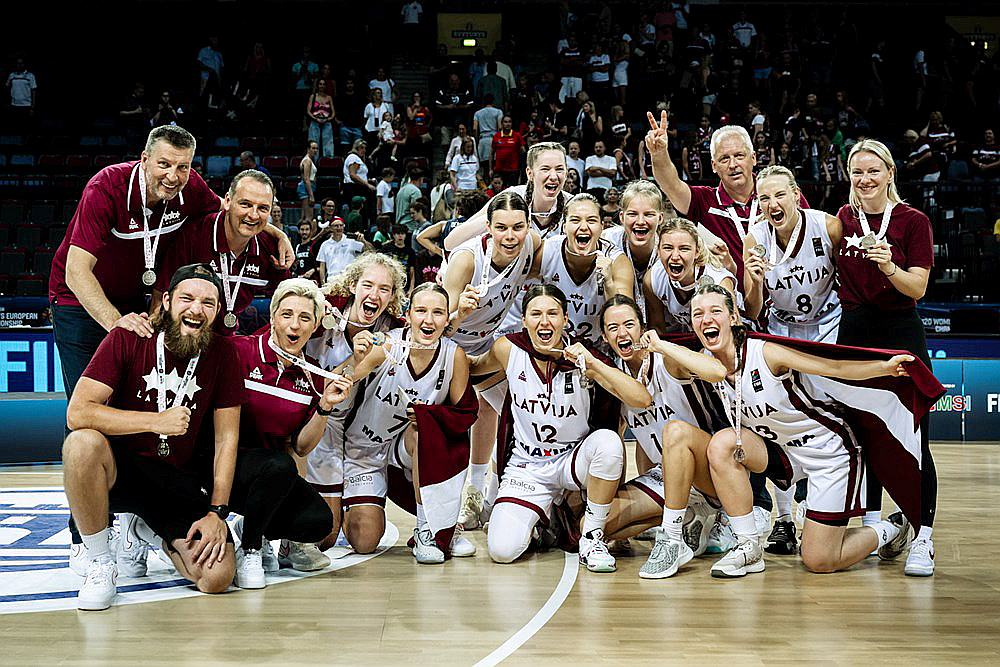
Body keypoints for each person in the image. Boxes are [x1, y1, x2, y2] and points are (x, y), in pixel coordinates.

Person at [691, 283, 936, 578]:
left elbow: (834, 368)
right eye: (697, 314)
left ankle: (891, 528)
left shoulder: (767, 353)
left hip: (828, 451)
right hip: (782, 451)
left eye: (715, 311)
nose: (706, 319)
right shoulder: (704, 363)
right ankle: (747, 546)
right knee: (722, 444)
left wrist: (883, 368)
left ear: (733, 318)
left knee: (820, 560)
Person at [50, 126, 285, 404]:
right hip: (79, 301)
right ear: (144, 159)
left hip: (135, 299)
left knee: (130, 401)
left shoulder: (191, 186)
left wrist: (275, 232)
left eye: (182, 167)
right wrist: (116, 323)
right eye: (164, 164)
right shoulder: (106, 187)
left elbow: (233, 210)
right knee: (89, 401)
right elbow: (76, 272)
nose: (173, 177)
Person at [63, 264, 242, 610]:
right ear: (168, 302)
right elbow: (78, 412)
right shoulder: (129, 337)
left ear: (218, 311)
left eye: (208, 303)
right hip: (123, 470)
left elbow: (227, 439)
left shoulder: (223, 353)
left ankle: (148, 531)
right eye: (187, 298)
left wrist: (217, 513)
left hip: (178, 480)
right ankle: (100, 561)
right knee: (81, 444)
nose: (196, 309)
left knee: (216, 578)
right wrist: (154, 421)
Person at [470, 284, 652, 570]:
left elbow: (641, 399)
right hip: (527, 466)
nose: (545, 321)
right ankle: (548, 520)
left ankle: (592, 538)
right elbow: (472, 368)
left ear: (565, 319)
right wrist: (449, 328)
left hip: (572, 461)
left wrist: (594, 365)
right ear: (524, 320)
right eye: (536, 314)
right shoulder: (508, 349)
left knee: (608, 443)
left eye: (553, 313)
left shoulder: (583, 358)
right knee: (503, 551)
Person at [835, 139, 938, 576]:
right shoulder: (843, 219)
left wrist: (889, 266)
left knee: (914, 437)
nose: (865, 179)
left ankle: (923, 536)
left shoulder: (914, 221)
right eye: (857, 172)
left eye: (873, 170)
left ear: (890, 172)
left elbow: (918, 288)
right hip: (856, 332)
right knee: (864, 433)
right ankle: (874, 527)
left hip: (900, 331)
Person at [339, 283, 478, 562]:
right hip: (364, 450)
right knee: (365, 541)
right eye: (421, 311)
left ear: (446, 317)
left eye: (438, 312)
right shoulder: (388, 345)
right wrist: (354, 358)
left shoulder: (454, 356)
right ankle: (348, 506)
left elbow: (464, 415)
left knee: (425, 430)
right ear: (408, 315)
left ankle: (431, 530)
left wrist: (431, 417)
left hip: (406, 449)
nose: (429, 320)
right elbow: (346, 378)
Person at [228, 279, 353, 587]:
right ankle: (253, 549)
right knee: (279, 465)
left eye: (304, 318)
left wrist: (324, 407)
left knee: (318, 522)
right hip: (220, 462)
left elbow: (301, 445)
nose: (294, 325)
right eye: (286, 315)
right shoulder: (238, 351)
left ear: (314, 328)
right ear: (272, 319)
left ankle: (251, 528)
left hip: (266, 475)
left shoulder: (312, 375)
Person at [594, 296, 729, 578]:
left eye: (629, 324)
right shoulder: (616, 378)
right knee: (595, 525)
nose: (623, 333)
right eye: (613, 328)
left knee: (675, 431)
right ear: (605, 337)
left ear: (642, 328)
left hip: (710, 473)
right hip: (668, 479)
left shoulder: (667, 360)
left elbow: (717, 372)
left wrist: (663, 345)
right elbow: (619, 445)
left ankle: (672, 537)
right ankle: (688, 519)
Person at [303, 253, 408, 551]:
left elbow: (436, 330)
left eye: (384, 289)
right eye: (368, 285)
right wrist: (359, 359)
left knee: (365, 541)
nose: (374, 295)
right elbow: (323, 388)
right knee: (322, 537)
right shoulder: (322, 314)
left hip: (367, 439)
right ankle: (328, 510)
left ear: (393, 296)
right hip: (325, 428)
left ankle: (350, 502)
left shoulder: (396, 330)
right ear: (353, 285)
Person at [645, 111, 808, 287]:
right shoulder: (704, 201)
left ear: (753, 158)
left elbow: (810, 236)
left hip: (789, 298)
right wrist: (659, 154)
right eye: (724, 159)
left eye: (739, 156)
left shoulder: (780, 194)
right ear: (714, 166)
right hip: (734, 306)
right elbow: (671, 185)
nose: (733, 165)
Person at [154, 170, 290, 335]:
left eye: (262, 208)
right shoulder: (194, 235)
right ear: (227, 201)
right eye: (245, 204)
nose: (253, 215)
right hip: (182, 336)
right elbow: (160, 297)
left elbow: (289, 295)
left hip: (226, 341)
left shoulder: (270, 248)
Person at [743, 166, 843, 342]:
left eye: (780, 195)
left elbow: (847, 283)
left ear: (796, 194)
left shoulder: (828, 226)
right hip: (782, 326)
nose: (773, 205)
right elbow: (752, 313)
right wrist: (757, 284)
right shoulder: (754, 240)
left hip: (830, 321)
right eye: (764, 198)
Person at [644, 218, 738, 334]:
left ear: (697, 252)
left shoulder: (719, 282)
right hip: (691, 337)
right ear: (658, 251)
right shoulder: (653, 279)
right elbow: (657, 328)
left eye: (684, 249)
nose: (675, 256)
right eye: (668, 248)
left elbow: (735, 332)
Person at [601, 180, 663, 319]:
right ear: (622, 217)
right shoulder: (605, 241)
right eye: (633, 214)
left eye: (648, 214)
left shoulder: (670, 248)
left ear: (660, 218)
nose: (640, 221)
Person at [317, 217, 374, 284]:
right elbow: (322, 267)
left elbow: (371, 251)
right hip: (332, 280)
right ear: (331, 228)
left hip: (348, 279)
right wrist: (323, 284)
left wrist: (363, 241)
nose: (339, 228)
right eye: (336, 226)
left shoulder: (351, 241)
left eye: (341, 225)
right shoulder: (325, 244)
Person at [491, 116, 525, 187]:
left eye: (509, 122)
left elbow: (523, 151)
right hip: (499, 170)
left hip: (513, 170)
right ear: (502, 123)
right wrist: (490, 169)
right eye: (505, 122)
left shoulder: (517, 136)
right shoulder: (496, 136)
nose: (508, 124)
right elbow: (491, 153)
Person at [306, 79, 336, 159]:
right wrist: (315, 118)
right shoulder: (313, 96)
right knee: (313, 143)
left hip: (326, 122)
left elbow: (333, 113)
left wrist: (328, 119)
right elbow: (308, 111)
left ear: (325, 86)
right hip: (315, 121)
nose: (322, 86)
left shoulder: (329, 98)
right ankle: (313, 162)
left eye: (323, 84)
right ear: (317, 86)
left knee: (328, 143)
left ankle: (328, 162)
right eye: (320, 84)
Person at [381, 224, 416, 288]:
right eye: (398, 233)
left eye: (402, 234)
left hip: (404, 284)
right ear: (394, 235)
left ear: (405, 235)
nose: (400, 236)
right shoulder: (386, 249)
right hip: (388, 281)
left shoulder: (410, 251)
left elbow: (412, 271)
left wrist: (411, 288)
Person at [395, 168, 426, 233]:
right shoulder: (415, 191)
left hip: (400, 225)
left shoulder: (401, 190)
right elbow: (416, 210)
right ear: (420, 179)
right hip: (410, 227)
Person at [298, 141, 319, 222]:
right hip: (306, 188)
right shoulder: (307, 161)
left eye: (316, 148)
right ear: (308, 149)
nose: (315, 150)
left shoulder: (310, 160)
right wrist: (311, 195)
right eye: (313, 148)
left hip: (308, 187)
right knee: (308, 217)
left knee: (304, 216)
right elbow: (306, 179)